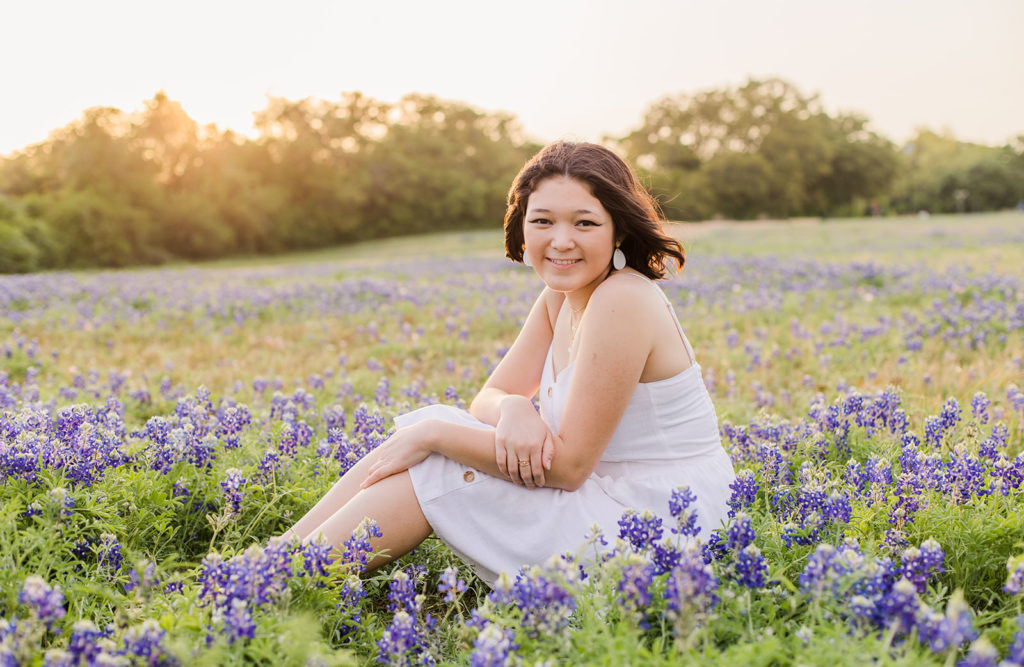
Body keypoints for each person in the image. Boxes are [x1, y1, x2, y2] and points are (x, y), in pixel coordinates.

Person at [284, 142, 735, 585]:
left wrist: (433, 436)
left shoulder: (623, 299)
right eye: (542, 221)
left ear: (617, 230)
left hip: (664, 527)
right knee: (439, 430)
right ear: (521, 227)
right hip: (607, 500)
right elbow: (488, 399)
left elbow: (568, 468)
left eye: (584, 222)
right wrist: (515, 408)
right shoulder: (559, 300)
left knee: (437, 452)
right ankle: (273, 562)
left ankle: (274, 583)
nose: (561, 241)